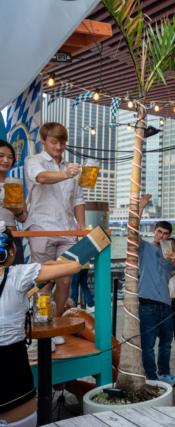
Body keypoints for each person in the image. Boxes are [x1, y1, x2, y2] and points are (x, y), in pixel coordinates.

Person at [0, 223, 82, 427]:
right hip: (10, 365)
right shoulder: (18, 274)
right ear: (13, 250)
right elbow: (74, 267)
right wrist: (50, 263)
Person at [24, 122, 85, 330]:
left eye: (62, 142)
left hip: (68, 229)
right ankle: (42, 326)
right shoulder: (33, 160)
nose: (58, 147)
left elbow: (78, 198)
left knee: (66, 281)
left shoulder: (72, 166)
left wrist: (82, 223)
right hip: (41, 226)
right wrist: (66, 174)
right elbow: (41, 177)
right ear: (43, 140)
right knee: (45, 282)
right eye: (53, 142)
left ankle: (54, 325)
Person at [135, 202, 175, 385]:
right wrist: (139, 209)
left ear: (169, 236)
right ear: (154, 232)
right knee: (148, 346)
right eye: (159, 232)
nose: (162, 236)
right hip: (147, 304)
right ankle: (151, 378)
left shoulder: (171, 254)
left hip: (166, 305)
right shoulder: (145, 247)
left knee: (166, 344)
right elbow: (132, 233)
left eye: (166, 234)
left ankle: (165, 374)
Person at [0, 141, 28, 266]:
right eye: (1, 156)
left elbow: (23, 218)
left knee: (15, 280)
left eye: (10, 157)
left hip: (12, 237)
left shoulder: (15, 184)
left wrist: (18, 212)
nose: (6, 160)